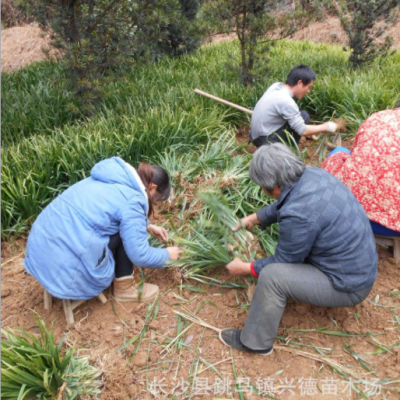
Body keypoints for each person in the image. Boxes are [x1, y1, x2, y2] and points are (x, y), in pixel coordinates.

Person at [219, 144, 377, 354]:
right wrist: (255, 218)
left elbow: (284, 261)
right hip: (359, 267)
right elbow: (289, 201)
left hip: (348, 285)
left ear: (272, 186)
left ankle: (255, 342)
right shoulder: (313, 174)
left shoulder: (297, 215)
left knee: (273, 276)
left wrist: (245, 267)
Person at [24, 157, 182, 302]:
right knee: (124, 233)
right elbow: (139, 254)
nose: (155, 202)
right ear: (152, 187)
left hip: (41, 251)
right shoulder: (133, 201)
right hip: (65, 270)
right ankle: (125, 289)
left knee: (120, 228)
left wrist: (147, 225)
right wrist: (167, 255)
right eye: (158, 198)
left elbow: (109, 208)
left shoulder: (113, 177)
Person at [321, 100, 400, 237]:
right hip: (393, 227)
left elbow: (355, 153)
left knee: (340, 151)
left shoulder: (377, 117)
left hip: (351, 211)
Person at [249, 64, 338, 148]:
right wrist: (327, 126)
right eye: (308, 87)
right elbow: (302, 130)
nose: (308, 91)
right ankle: (281, 153)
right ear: (299, 83)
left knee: (299, 116)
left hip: (255, 136)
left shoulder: (276, 86)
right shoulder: (286, 101)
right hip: (266, 142)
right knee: (304, 116)